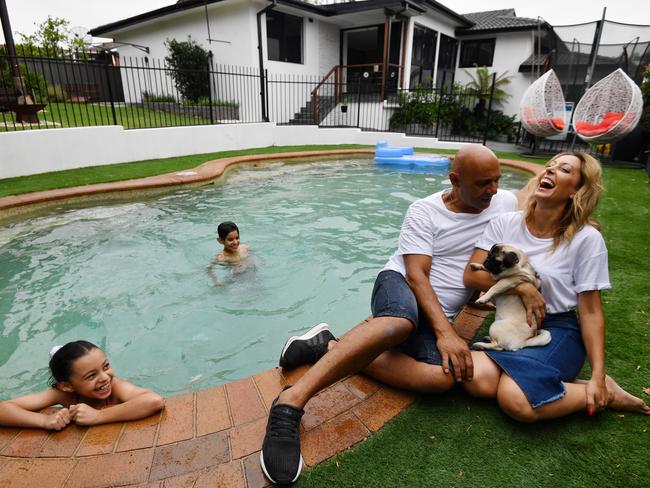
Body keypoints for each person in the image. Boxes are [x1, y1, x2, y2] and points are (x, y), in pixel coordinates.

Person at [260, 144, 521, 485]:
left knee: (443, 378)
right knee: (400, 322)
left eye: (497, 180)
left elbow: (533, 216)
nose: (493, 190)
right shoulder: (424, 211)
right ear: (455, 179)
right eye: (483, 183)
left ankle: (327, 346)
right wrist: (446, 332)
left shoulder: (503, 203)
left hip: (436, 312)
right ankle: (290, 402)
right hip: (400, 284)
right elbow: (415, 275)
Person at [461, 151, 650, 421]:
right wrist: (522, 288)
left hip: (559, 328)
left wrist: (597, 372)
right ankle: (572, 387)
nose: (549, 170)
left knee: (514, 400)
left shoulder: (587, 239)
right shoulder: (505, 223)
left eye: (563, 170)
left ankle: (602, 390)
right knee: (476, 380)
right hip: (514, 323)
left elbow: (591, 312)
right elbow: (472, 276)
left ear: (576, 190)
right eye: (549, 165)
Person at [0, 341, 165, 430]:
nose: (104, 378)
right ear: (67, 386)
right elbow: (4, 409)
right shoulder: (63, 394)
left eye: (106, 366)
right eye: (91, 376)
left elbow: (154, 401)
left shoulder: (116, 386)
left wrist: (98, 416)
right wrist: (44, 421)